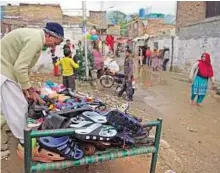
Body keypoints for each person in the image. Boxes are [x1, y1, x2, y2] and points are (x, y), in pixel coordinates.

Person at [0, 22, 64, 149]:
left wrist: (27, 88)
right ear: (50, 35)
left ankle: (8, 133)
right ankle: (25, 142)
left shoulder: (35, 37)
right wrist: (29, 89)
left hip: (6, 69)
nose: (53, 46)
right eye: (55, 43)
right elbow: (20, 68)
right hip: (4, 71)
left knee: (7, 106)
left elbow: (23, 67)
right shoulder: (36, 40)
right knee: (20, 106)